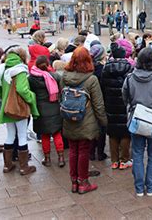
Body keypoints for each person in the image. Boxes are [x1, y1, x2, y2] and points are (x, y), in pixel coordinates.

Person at [122, 48, 152, 196]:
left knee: (137, 153)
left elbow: (125, 98)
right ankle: (150, 185)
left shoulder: (129, 78)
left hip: (136, 120)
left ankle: (138, 188)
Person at [61, 47, 107, 194]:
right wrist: (103, 122)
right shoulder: (91, 79)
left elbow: (61, 98)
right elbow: (98, 104)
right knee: (83, 151)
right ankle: (83, 182)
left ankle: (74, 182)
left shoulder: (64, 77)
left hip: (68, 119)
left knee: (73, 150)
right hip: (86, 120)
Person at [0, 46, 40, 175]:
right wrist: (32, 97)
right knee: (22, 135)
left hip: (7, 107)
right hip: (18, 108)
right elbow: (22, 89)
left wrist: (5, 97)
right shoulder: (20, 70)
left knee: (10, 135)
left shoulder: (2, 68)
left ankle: (7, 166)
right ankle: (24, 167)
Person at [101, 42, 133, 170]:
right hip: (124, 105)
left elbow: (103, 86)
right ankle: (124, 159)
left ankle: (114, 161)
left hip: (110, 103)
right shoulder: (129, 68)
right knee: (125, 132)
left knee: (113, 132)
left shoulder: (106, 69)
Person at [29, 56, 64, 168]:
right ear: (48, 64)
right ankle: (61, 158)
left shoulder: (31, 78)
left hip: (40, 109)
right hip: (54, 107)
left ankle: (47, 159)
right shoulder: (54, 76)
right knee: (57, 133)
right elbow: (61, 90)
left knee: (45, 135)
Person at [89, 43, 108, 161]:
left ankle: (91, 152)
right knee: (102, 127)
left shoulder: (88, 69)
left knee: (91, 126)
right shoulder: (103, 70)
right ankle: (100, 152)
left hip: (90, 102)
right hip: (102, 101)